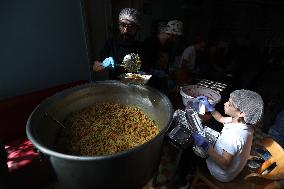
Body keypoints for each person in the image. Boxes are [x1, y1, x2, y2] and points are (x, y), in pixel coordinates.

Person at [193, 89, 264, 182]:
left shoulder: (233, 136)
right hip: (235, 168)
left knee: (190, 155)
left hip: (222, 174)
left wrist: (206, 146)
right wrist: (211, 109)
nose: (225, 104)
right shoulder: (243, 122)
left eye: (230, 104)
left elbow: (224, 164)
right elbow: (221, 118)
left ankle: (186, 181)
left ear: (241, 113)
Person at [92, 8, 142, 80]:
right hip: (115, 87)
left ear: (137, 28)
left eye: (130, 26)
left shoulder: (142, 47)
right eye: (123, 25)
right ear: (119, 25)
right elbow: (95, 67)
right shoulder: (110, 44)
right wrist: (103, 65)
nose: (125, 30)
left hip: (134, 87)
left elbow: (146, 72)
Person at [142, 19, 183, 93]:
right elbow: (145, 68)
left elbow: (169, 64)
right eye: (174, 37)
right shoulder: (150, 43)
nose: (175, 40)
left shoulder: (169, 45)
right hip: (149, 84)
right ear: (172, 35)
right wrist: (163, 75)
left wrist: (170, 74)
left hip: (161, 83)